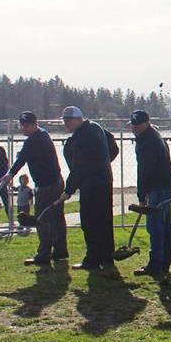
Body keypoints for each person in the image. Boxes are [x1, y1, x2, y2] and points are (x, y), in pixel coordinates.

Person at [3, 111, 68, 265]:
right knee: (57, 217)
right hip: (55, 182)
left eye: (26, 125)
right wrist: (11, 173)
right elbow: (23, 158)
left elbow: (21, 159)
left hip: (47, 185)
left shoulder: (36, 140)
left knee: (42, 219)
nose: (23, 128)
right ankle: (60, 250)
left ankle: (44, 254)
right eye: (22, 125)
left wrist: (10, 173)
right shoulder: (42, 135)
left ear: (34, 124)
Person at [59, 106, 119, 271]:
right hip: (105, 181)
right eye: (64, 121)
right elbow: (114, 149)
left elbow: (78, 167)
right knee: (104, 221)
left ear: (78, 119)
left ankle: (92, 259)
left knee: (89, 222)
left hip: (91, 185)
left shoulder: (81, 138)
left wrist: (68, 191)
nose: (66, 124)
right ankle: (107, 258)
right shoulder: (96, 127)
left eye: (68, 121)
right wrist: (103, 164)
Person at [130, 110, 171, 277]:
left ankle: (156, 264)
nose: (134, 127)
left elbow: (144, 171)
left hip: (159, 186)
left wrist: (142, 196)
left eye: (137, 124)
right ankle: (164, 263)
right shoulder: (153, 135)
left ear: (146, 123)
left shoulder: (147, 142)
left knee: (155, 225)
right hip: (165, 183)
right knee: (164, 223)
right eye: (133, 124)